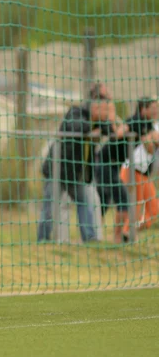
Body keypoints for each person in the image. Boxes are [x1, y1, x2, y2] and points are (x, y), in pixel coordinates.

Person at [37, 86, 115, 243]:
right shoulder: (75, 112)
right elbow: (77, 127)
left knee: (85, 202)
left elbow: (111, 131)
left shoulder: (99, 122)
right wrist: (93, 127)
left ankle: (90, 237)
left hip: (76, 173)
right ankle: (43, 239)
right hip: (58, 169)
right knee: (50, 206)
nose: (105, 115)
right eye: (103, 111)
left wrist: (105, 122)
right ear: (94, 107)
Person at [94, 100, 130, 243]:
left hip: (114, 166)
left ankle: (96, 234)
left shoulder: (119, 123)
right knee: (122, 199)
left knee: (104, 201)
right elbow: (116, 134)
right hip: (104, 163)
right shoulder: (115, 125)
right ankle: (116, 236)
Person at [120, 129, 159, 235]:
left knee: (154, 209)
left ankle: (132, 231)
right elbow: (148, 140)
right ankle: (126, 232)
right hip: (132, 169)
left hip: (144, 174)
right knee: (136, 203)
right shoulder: (152, 125)